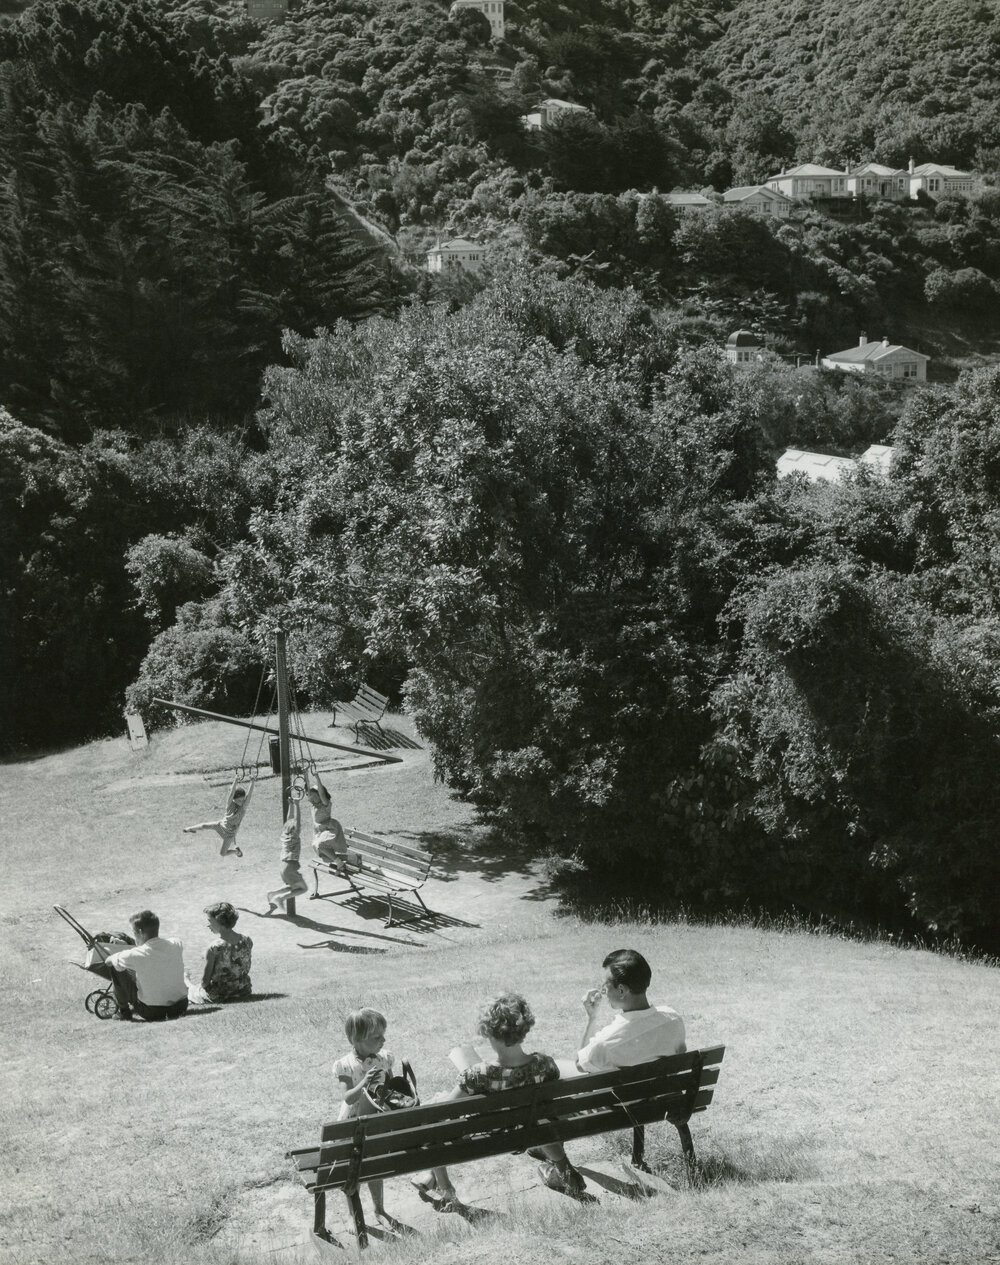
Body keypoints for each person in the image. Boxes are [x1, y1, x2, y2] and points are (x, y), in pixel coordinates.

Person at [533, 948, 686, 1191]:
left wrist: (591, 1018)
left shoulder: (608, 1042)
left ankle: (559, 1167)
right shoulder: (674, 1019)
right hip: (654, 1102)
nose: (603, 990)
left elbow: (581, 1063)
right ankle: (547, 1147)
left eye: (606, 985)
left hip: (617, 1107)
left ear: (622, 990)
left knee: (541, 1080)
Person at [411, 994, 563, 1210]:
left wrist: (435, 1100)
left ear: (489, 1033)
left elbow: (440, 1113)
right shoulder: (545, 1064)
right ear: (524, 1028)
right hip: (526, 1130)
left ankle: (445, 1189)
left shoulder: (478, 1074)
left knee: (434, 1120)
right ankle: (430, 1176)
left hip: (485, 1136)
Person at [334, 1008, 397, 1225]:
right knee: (354, 1171)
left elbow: (390, 1090)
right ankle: (354, 1215)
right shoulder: (346, 1065)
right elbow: (348, 1098)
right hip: (353, 1126)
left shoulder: (385, 1059)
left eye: (383, 1034)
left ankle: (379, 1210)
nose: (383, 1040)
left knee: (375, 1166)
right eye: (376, 1037)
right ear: (357, 1039)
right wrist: (364, 1083)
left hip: (376, 1123)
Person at [104, 909, 188, 1022]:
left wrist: (121, 951)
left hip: (152, 1012)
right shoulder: (176, 943)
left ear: (139, 932)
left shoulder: (135, 955)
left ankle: (124, 1012)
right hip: (180, 1006)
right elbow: (151, 953)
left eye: (134, 932)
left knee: (115, 966)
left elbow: (108, 961)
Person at [188, 901, 252, 1003]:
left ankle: (186, 981)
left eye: (210, 921)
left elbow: (205, 982)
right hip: (243, 990)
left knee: (191, 990)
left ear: (219, 921)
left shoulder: (214, 947)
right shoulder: (246, 940)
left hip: (221, 994)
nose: (208, 925)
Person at [183, 773, 253, 857]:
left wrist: (252, 781)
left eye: (243, 800)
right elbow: (231, 793)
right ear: (234, 800)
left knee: (222, 853)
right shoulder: (230, 804)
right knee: (205, 825)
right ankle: (190, 829)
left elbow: (249, 797)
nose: (241, 802)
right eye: (239, 800)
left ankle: (236, 851)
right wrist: (235, 780)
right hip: (220, 825)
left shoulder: (243, 809)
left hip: (229, 835)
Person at [304, 769, 349, 867]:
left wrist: (317, 777)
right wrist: (306, 776)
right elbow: (307, 790)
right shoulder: (314, 805)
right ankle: (341, 863)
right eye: (311, 796)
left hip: (330, 828)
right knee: (319, 848)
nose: (312, 797)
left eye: (315, 795)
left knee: (320, 844)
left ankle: (340, 862)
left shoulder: (325, 804)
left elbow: (321, 793)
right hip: (321, 830)